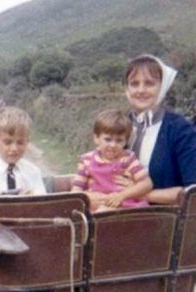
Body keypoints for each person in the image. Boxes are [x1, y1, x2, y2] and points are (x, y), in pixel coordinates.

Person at [120, 54, 196, 204]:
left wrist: (140, 194)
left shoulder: (180, 129)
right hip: (119, 214)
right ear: (127, 88)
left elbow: (192, 191)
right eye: (134, 84)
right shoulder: (121, 124)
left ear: (162, 86)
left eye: (149, 83)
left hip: (166, 220)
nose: (141, 90)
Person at [71, 109, 153, 212]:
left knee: (104, 213)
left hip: (125, 205)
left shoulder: (128, 159)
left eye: (119, 140)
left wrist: (122, 195)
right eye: (108, 139)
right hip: (96, 204)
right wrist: (87, 197)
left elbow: (146, 184)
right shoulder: (86, 160)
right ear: (96, 138)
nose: (113, 145)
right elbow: (76, 189)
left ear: (125, 142)